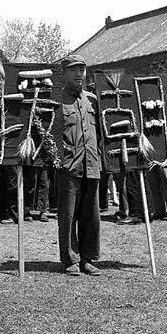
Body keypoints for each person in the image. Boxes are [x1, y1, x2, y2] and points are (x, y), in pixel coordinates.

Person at [57, 55, 102, 276]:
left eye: (82, 70)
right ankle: (70, 259)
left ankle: (87, 258)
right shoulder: (57, 100)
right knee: (68, 215)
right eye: (73, 70)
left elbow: (100, 132)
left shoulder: (92, 100)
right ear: (63, 74)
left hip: (91, 163)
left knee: (91, 215)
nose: (79, 74)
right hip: (68, 165)